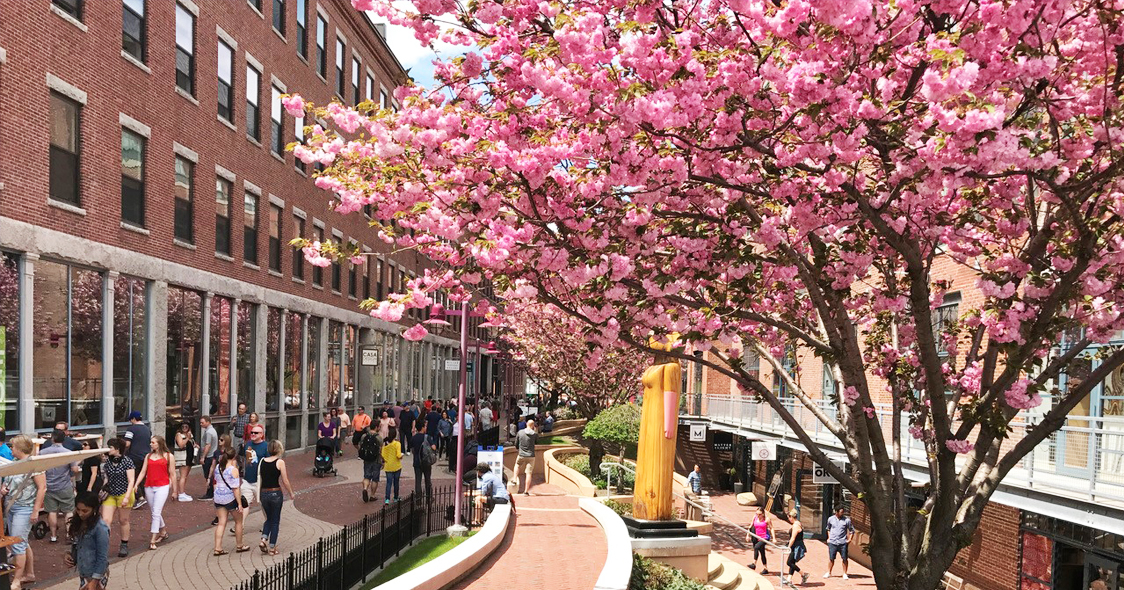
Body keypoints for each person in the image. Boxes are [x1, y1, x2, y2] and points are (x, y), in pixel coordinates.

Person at [2, 435, 45, 589]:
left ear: (19, 448)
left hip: (25, 508)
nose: (10, 449)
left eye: (12, 447)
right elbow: (8, 483)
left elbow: (42, 488)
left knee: (17, 545)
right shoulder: (14, 463)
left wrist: (35, 511)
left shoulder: (35, 465)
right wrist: (4, 489)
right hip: (12, 507)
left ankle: (17, 581)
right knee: (22, 542)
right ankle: (29, 573)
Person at [132, 435, 176, 550]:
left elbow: (172, 474)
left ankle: (153, 538)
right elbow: (142, 472)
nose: (151, 444)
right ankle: (163, 531)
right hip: (149, 486)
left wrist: (175, 491)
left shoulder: (168, 456)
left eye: (153, 442)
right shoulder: (148, 456)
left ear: (159, 444)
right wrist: (136, 484)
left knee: (156, 512)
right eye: (151, 442)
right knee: (154, 511)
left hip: (163, 486)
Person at [39, 429, 80, 543]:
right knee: (68, 511)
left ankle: (53, 535)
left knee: (51, 511)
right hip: (64, 485)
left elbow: (39, 469)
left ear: (52, 438)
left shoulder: (43, 452)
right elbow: (74, 469)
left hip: (49, 485)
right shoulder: (68, 453)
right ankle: (69, 534)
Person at [257, 440, 296, 555]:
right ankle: (272, 547)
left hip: (264, 493)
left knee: (268, 518)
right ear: (279, 449)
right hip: (275, 493)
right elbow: (285, 480)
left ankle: (263, 539)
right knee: (275, 521)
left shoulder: (262, 461)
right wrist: (291, 493)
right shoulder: (280, 462)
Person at [100, 438, 136, 558]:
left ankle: (124, 544)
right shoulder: (108, 462)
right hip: (111, 493)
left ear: (117, 449)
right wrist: (103, 488)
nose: (108, 449)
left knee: (123, 520)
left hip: (123, 493)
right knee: (106, 520)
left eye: (110, 447)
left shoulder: (127, 461)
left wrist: (126, 497)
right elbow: (106, 478)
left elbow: (131, 481)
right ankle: (104, 545)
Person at [65, 492, 109, 590]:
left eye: (85, 511)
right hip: (84, 571)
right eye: (78, 510)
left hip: (95, 573)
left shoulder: (100, 528)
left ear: (94, 509)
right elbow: (76, 544)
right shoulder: (79, 523)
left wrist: (94, 580)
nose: (80, 514)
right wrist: (69, 555)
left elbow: (102, 557)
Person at [211, 448, 249, 556]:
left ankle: (217, 547)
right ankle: (240, 545)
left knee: (221, 523)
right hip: (230, 498)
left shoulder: (218, 467)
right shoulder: (233, 470)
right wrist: (240, 504)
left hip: (219, 497)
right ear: (234, 457)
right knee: (238, 521)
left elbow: (216, 482)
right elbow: (235, 488)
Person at [123, 411, 151, 510]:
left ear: (133, 419)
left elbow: (127, 444)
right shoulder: (147, 429)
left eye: (131, 420)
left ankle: (140, 497)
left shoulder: (131, 429)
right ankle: (141, 497)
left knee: (132, 478)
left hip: (134, 456)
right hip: (146, 456)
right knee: (142, 477)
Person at [240, 423, 269, 511]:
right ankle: (242, 524)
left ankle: (269, 522)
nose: (253, 434)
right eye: (252, 432)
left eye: (256, 433)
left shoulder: (266, 446)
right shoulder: (248, 444)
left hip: (260, 481)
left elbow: (269, 463)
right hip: (247, 480)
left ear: (261, 435)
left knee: (264, 505)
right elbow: (244, 458)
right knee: (244, 504)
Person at [824, 506, 855, 580]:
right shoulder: (830, 519)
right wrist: (829, 538)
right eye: (841, 512)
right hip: (833, 542)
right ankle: (829, 572)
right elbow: (828, 528)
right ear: (836, 512)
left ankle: (844, 573)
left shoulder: (847, 520)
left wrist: (850, 539)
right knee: (831, 558)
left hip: (842, 542)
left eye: (843, 512)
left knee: (844, 558)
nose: (842, 513)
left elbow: (852, 530)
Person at [410, 417, 435, 501]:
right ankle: (429, 497)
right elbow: (434, 447)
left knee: (418, 480)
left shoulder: (414, 437)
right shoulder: (427, 437)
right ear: (422, 427)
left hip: (417, 461)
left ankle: (418, 498)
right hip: (426, 461)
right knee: (427, 480)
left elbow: (412, 448)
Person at [357, 422, 383, 503]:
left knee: (366, 476)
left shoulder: (364, 436)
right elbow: (381, 450)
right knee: (375, 479)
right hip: (376, 460)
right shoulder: (379, 437)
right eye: (379, 426)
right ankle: (372, 495)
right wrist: (383, 461)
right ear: (376, 427)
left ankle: (365, 488)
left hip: (367, 459)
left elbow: (360, 446)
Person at [747, 506, 775, 574]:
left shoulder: (767, 519)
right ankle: (765, 568)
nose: (758, 515)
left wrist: (774, 538)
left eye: (759, 514)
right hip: (757, 537)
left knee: (756, 547)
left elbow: (771, 528)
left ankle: (754, 563)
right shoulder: (755, 518)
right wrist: (748, 535)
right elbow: (750, 526)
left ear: (763, 514)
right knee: (762, 552)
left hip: (764, 537)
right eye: (757, 514)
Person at [513, 419, 538, 495]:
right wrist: (536, 431)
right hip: (531, 456)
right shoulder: (534, 434)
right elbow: (536, 442)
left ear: (526, 424)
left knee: (517, 465)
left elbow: (516, 443)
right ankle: (526, 491)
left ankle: (514, 479)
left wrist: (518, 448)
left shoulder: (520, 432)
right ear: (533, 425)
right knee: (529, 473)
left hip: (521, 454)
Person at [173, 422, 196, 503]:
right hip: (183, 458)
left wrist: (195, 445)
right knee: (182, 476)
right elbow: (181, 445)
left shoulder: (190, 435)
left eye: (186, 426)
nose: (185, 428)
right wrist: (187, 438)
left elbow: (191, 444)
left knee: (185, 476)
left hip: (189, 457)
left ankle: (182, 491)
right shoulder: (179, 435)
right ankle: (181, 494)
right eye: (183, 426)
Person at [199, 416, 219, 500]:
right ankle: (212, 492)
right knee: (211, 475)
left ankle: (210, 493)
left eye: (202, 422)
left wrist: (203, 457)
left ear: (208, 422)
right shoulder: (212, 430)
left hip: (209, 456)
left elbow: (208, 445)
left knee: (208, 475)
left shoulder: (209, 432)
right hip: (211, 455)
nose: (200, 424)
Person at [382, 427, 403, 504]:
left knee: (388, 483)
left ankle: (387, 498)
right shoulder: (397, 444)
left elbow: (383, 455)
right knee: (396, 482)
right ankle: (395, 497)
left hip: (388, 466)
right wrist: (401, 456)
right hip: (396, 466)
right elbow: (398, 455)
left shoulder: (385, 444)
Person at [787, 509, 808, 584]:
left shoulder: (796, 525)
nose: (789, 520)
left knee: (789, 562)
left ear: (791, 517)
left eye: (788, 518)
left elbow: (793, 538)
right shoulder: (797, 523)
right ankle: (789, 579)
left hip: (796, 546)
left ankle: (803, 574)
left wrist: (788, 547)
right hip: (795, 545)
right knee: (792, 562)